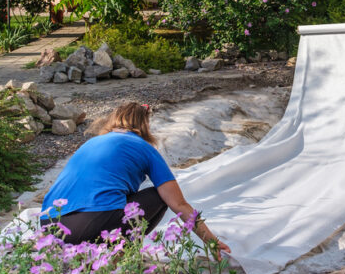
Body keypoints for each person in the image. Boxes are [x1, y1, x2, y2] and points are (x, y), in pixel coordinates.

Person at [40, 101, 229, 253]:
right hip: (87, 226)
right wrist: (210, 241)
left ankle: (87, 256)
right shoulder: (144, 148)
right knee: (159, 196)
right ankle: (121, 256)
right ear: (144, 126)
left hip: (50, 226)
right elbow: (178, 204)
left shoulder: (91, 143)